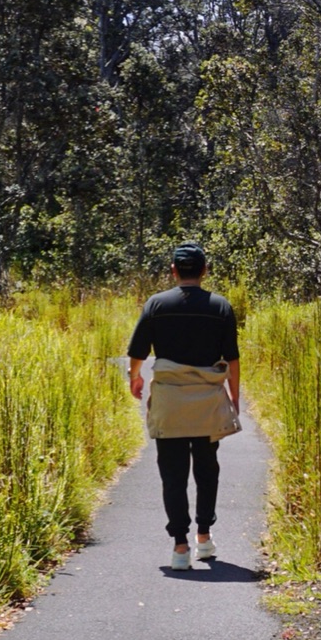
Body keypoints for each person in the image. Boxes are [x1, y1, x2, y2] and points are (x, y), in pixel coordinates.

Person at [126, 243, 241, 570]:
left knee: (172, 474)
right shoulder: (220, 307)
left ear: (174, 271)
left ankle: (180, 547)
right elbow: (232, 359)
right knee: (207, 470)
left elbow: (138, 351)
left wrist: (134, 377)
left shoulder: (157, 304)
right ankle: (204, 538)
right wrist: (235, 397)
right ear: (204, 271)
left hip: (169, 403)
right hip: (207, 403)